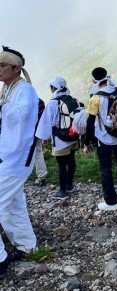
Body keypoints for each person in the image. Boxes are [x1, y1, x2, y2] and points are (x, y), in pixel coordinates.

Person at [0, 46, 38, 277]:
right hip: (8, 156)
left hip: (18, 158)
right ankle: (26, 246)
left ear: (16, 68)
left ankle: (1, 262)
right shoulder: (7, 88)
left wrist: (3, 108)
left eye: (2, 65)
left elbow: (23, 115)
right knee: (13, 205)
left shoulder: (25, 90)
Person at [84, 67, 117, 211]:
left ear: (94, 80)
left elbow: (90, 122)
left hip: (104, 138)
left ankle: (111, 202)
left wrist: (87, 143)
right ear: (107, 76)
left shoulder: (95, 98)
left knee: (106, 169)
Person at [36, 76, 81, 200]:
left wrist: (44, 138)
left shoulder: (52, 103)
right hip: (73, 135)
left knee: (61, 164)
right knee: (71, 160)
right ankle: (70, 185)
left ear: (53, 88)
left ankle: (62, 191)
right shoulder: (72, 99)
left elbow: (46, 122)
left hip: (60, 139)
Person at [34, 98, 48, 187]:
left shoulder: (18, 100)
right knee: (38, 153)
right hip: (37, 130)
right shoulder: (39, 101)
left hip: (24, 133)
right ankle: (42, 177)